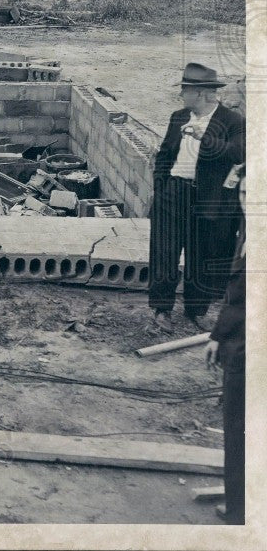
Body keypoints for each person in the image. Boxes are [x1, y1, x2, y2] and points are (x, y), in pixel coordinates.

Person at [148, 63, 244, 332]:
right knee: (164, 252)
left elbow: (239, 155)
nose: (181, 95)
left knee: (201, 255)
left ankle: (196, 310)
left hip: (208, 198)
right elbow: (165, 155)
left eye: (185, 90)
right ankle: (161, 310)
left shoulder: (232, 121)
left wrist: (208, 139)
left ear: (200, 93)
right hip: (173, 193)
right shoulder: (178, 117)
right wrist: (161, 187)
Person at [204, 168, 244, 524]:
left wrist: (218, 337)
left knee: (239, 429)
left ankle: (239, 513)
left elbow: (240, 299)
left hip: (246, 348)